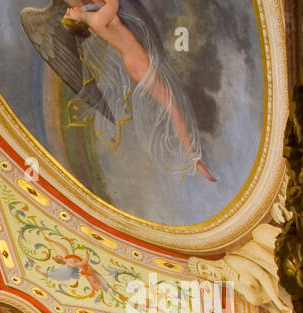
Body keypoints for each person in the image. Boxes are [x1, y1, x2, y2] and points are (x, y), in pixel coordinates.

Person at [62, 0, 215, 181]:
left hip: (138, 61)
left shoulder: (94, 16)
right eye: (69, 15)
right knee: (171, 107)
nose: (68, 11)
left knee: (172, 105)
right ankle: (193, 159)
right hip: (138, 64)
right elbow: (114, 5)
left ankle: (193, 157)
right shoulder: (95, 20)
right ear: (77, 21)